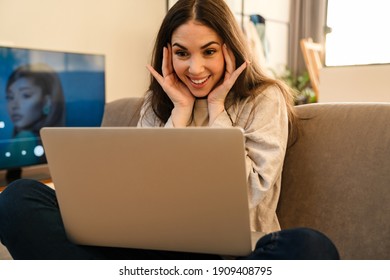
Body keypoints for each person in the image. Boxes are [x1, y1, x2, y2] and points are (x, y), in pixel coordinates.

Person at [0, 0, 339, 260]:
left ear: (232, 51)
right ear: (167, 55)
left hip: (230, 255)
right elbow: (140, 194)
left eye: (208, 51)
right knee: (17, 199)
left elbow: (250, 197)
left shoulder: (263, 99)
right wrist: (179, 114)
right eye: (182, 53)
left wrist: (218, 111)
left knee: (311, 247)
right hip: (148, 249)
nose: (195, 67)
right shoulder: (157, 103)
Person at [3, 63, 66, 172]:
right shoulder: (59, 145)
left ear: (47, 101)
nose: (14, 105)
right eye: (10, 97)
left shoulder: (24, 138)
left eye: (26, 95)